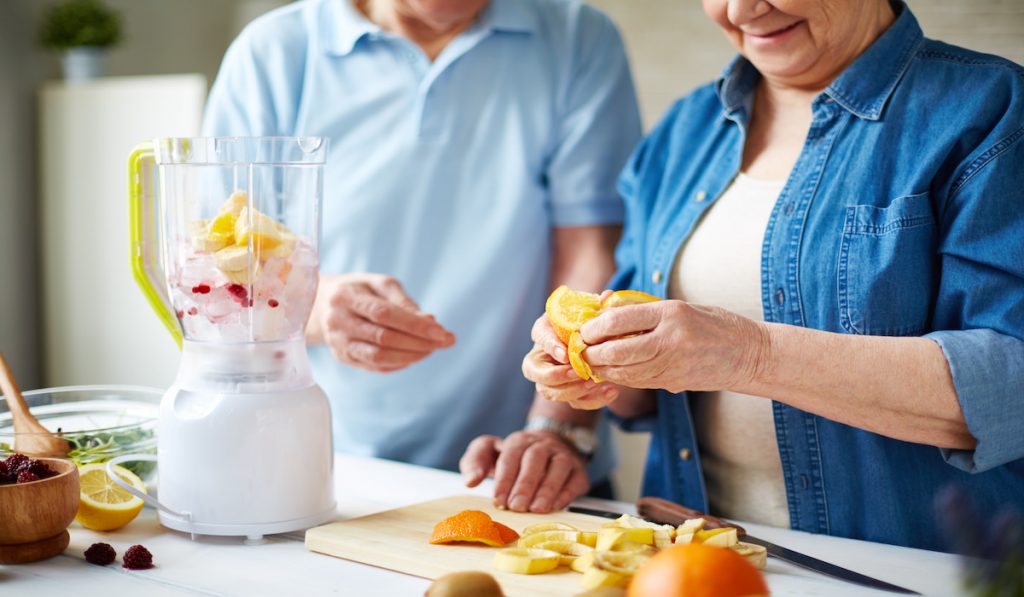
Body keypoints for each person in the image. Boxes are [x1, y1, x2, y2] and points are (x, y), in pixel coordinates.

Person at [519, 0, 1024, 550]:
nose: (741, 9)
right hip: (692, 565)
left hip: (907, 573)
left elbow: (1010, 385)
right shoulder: (684, 130)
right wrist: (591, 371)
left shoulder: (993, 112)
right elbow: (645, 394)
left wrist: (749, 354)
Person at [202, 0, 642, 511]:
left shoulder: (578, 37)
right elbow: (220, 274)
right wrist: (318, 310)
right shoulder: (273, 53)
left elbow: (590, 252)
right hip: (324, 467)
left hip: (525, 467)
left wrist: (556, 428)